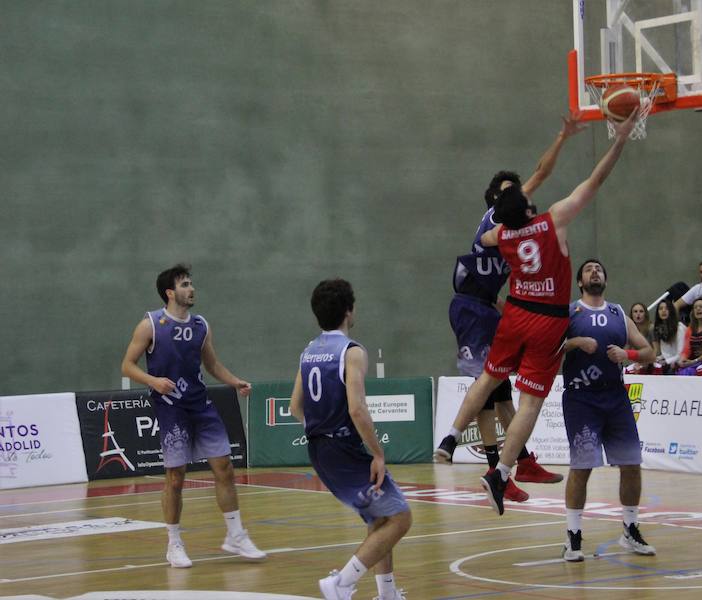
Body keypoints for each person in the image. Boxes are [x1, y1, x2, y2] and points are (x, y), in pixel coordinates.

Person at [434, 109, 639, 516]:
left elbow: (487, 238)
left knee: (489, 378)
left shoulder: (499, 233)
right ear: (527, 207)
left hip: (514, 314)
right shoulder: (553, 220)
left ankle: (451, 437)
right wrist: (618, 140)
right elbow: (595, 181)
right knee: (529, 404)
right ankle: (501, 472)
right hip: (546, 319)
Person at [443, 117, 586, 495]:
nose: (523, 192)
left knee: (499, 389)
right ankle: (484, 458)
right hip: (471, 306)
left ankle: (515, 464)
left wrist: (514, 306)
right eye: (513, 190)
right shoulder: (500, 219)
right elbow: (541, 171)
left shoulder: (508, 232)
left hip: (489, 307)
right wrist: (562, 137)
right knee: (489, 385)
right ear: (498, 199)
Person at [120, 264, 265, 569]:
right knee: (175, 478)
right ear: (170, 293)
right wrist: (153, 381)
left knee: (224, 467)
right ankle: (174, 543)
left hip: (201, 404)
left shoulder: (201, 325)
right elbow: (128, 365)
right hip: (171, 407)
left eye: (191, 283)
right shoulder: (150, 324)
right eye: (185, 284)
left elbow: (212, 364)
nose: (191, 288)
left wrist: (234, 380)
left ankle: (236, 535)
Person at [289, 279, 411, 600]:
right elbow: (357, 409)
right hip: (343, 447)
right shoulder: (351, 351)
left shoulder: (309, 350)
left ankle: (387, 594)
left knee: (380, 516)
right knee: (401, 518)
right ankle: (341, 582)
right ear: (349, 311)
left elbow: (294, 407)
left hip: (319, 449)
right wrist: (378, 454)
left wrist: (320, 429)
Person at [560, 259, 656, 561]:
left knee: (631, 464)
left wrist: (626, 354)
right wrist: (576, 342)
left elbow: (649, 352)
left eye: (599, 269)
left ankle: (630, 529)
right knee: (582, 467)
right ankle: (572, 537)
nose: (595, 272)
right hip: (581, 399)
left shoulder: (618, 313)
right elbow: (548, 347)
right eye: (588, 269)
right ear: (579, 282)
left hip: (615, 397)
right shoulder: (571, 312)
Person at [652, 299, 686, 374]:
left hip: (679, 363)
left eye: (666, 308)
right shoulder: (659, 328)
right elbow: (665, 354)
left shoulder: (679, 328)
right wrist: (657, 359)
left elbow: (680, 354)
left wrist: (666, 362)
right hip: (666, 362)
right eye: (661, 309)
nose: (663, 311)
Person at [676, 298, 702, 373]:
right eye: (695, 307)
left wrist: (693, 361)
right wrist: (683, 359)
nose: (698, 309)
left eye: (701, 307)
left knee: (688, 372)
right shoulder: (690, 329)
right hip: (691, 361)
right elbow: (686, 349)